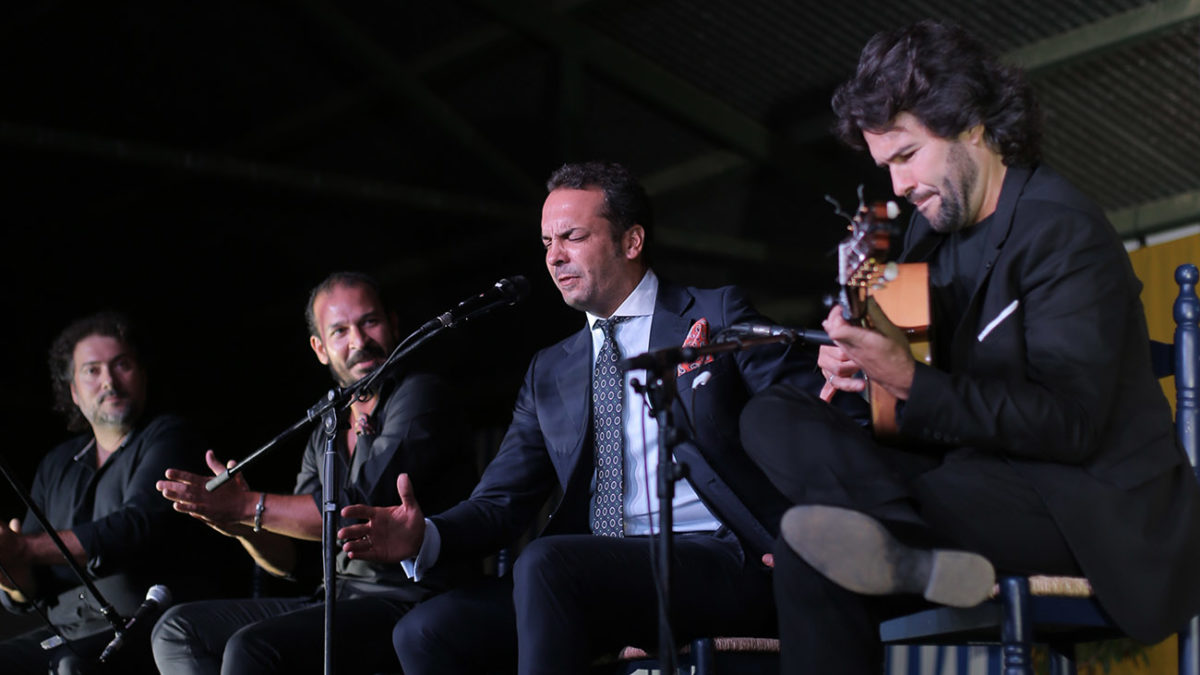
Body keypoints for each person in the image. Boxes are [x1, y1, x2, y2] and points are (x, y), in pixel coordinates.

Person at [739, 19, 1200, 674]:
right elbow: (918, 414)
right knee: (770, 413)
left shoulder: (1061, 232)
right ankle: (904, 539)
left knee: (807, 545)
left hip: (1074, 502)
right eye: (884, 166)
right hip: (961, 479)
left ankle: (892, 536)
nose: (896, 188)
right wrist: (867, 375)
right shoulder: (929, 242)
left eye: (906, 157)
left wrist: (910, 381)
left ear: (973, 125)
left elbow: (1069, 425)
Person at [335, 161, 835, 675]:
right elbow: (501, 501)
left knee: (548, 563)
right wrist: (426, 537)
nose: (554, 257)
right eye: (546, 241)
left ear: (632, 241)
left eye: (572, 236)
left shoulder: (716, 313)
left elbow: (813, 416)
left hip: (715, 558)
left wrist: (806, 538)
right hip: (594, 571)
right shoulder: (551, 368)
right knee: (426, 631)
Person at [150, 271, 476, 675]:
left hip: (409, 598)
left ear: (393, 324)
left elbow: (349, 507)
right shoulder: (330, 424)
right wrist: (238, 523)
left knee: (252, 647)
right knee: (177, 630)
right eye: (340, 331)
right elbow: (300, 554)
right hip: (337, 596)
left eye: (369, 322)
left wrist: (246, 503)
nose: (359, 341)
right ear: (320, 348)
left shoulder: (421, 394)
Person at [0, 311, 242, 674]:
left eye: (122, 365)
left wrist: (24, 549)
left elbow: (136, 526)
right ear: (74, 392)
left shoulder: (170, 436)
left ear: (142, 375)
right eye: (92, 370)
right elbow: (30, 583)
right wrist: (10, 570)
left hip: (146, 624)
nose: (109, 381)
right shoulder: (57, 463)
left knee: (73, 667)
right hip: (65, 628)